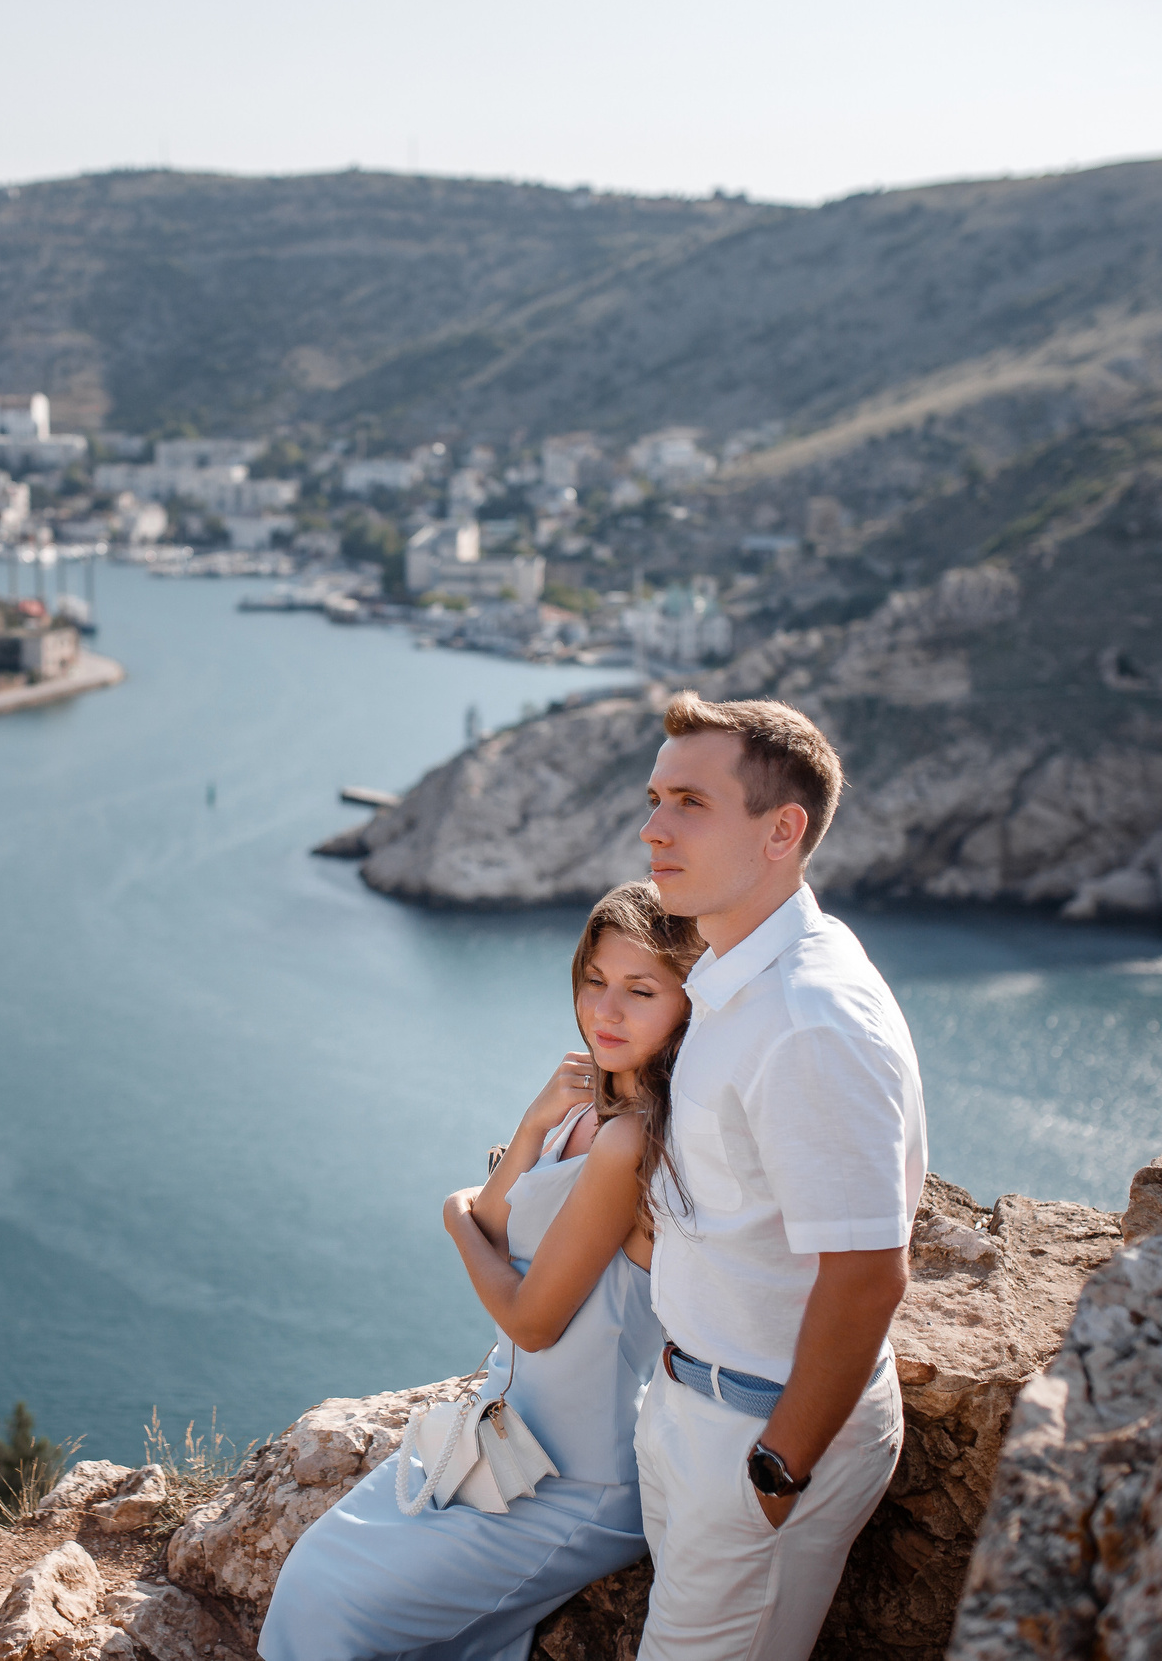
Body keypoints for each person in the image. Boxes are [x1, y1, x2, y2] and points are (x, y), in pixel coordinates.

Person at [260, 882, 703, 1661]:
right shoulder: (578, 1108)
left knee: (335, 1612)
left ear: (687, 1003)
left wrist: (451, 1215)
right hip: (498, 1437)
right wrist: (533, 1122)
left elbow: (529, 1314)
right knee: (313, 1576)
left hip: (578, 1480)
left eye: (642, 990)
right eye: (595, 980)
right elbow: (499, 1218)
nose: (607, 1009)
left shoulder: (632, 1140)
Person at [631, 692, 927, 1661]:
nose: (653, 828)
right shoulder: (741, 977)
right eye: (654, 798)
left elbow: (868, 1276)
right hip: (695, 1403)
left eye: (689, 803)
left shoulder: (807, 1014)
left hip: (760, 1429)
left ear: (781, 830)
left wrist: (775, 1467)